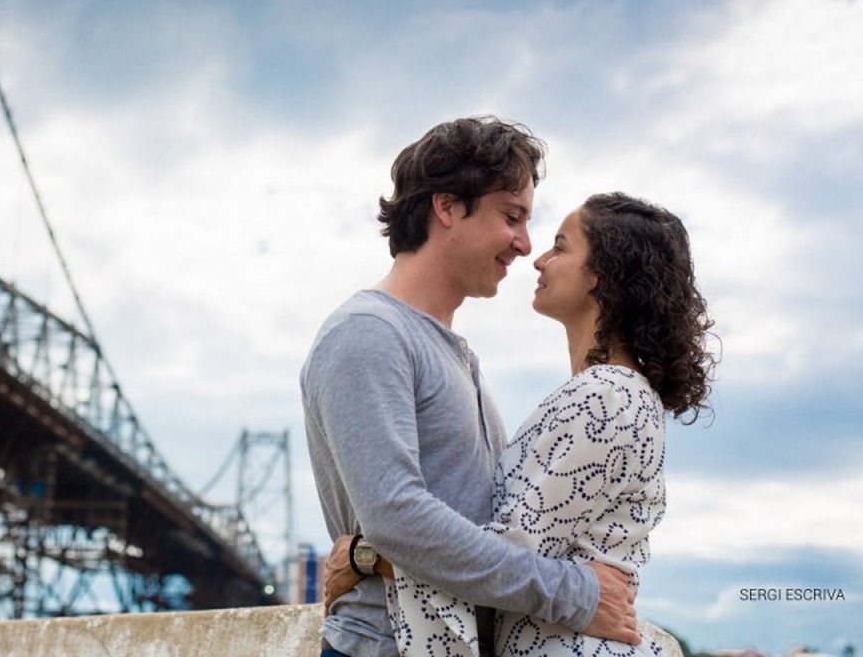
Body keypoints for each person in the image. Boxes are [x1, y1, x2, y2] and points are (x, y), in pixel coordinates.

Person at [301, 117, 640, 657]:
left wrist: (364, 555)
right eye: (511, 217)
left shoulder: (454, 354)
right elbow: (398, 518)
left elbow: (482, 521)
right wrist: (573, 593)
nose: (524, 245)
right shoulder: (368, 333)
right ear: (448, 207)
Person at [326, 191, 717, 656]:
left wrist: (366, 557)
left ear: (602, 275)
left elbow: (513, 553)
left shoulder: (604, 396)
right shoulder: (619, 393)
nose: (538, 258)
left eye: (560, 247)